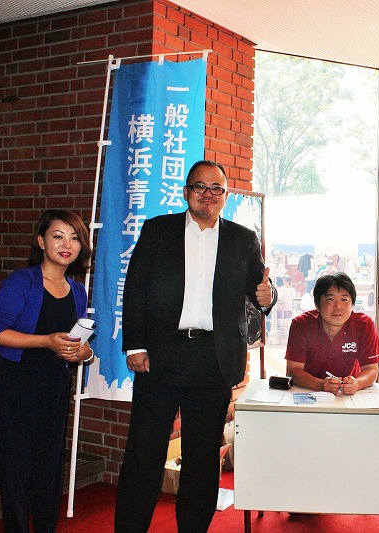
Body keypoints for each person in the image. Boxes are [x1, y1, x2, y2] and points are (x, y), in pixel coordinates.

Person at [115, 160, 276, 533]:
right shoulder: (158, 230)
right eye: (200, 186)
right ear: (186, 191)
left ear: (225, 196)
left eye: (216, 188)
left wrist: (268, 296)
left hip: (213, 360)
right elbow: (135, 288)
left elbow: (260, 291)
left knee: (202, 459)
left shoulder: (243, 239)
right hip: (161, 354)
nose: (208, 194)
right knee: (144, 452)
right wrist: (134, 345)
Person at [0, 209, 94, 533]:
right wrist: (46, 341)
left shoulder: (77, 290)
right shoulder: (22, 282)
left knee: (49, 467)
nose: (67, 244)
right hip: (15, 384)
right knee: (16, 469)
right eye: (58, 236)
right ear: (41, 241)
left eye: (74, 238)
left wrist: (84, 353)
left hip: (54, 384)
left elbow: (74, 341)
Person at [285, 272, 379, 395]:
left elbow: (371, 369)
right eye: (330, 299)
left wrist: (357, 384)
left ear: (352, 304)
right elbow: (293, 370)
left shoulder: (364, 325)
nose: (338, 307)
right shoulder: (301, 325)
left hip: (348, 394)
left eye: (344, 300)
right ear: (317, 304)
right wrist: (321, 385)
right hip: (308, 392)